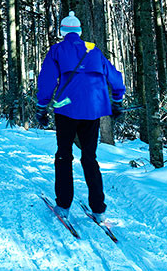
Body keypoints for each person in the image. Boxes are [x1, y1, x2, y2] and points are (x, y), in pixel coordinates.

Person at [36, 11, 125, 224]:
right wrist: (118, 99)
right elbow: (114, 75)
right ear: (79, 31)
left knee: (64, 155)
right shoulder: (94, 50)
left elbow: (47, 80)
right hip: (93, 110)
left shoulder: (57, 50)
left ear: (62, 32)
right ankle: (98, 209)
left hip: (66, 109)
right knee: (89, 157)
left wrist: (42, 107)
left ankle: (64, 205)